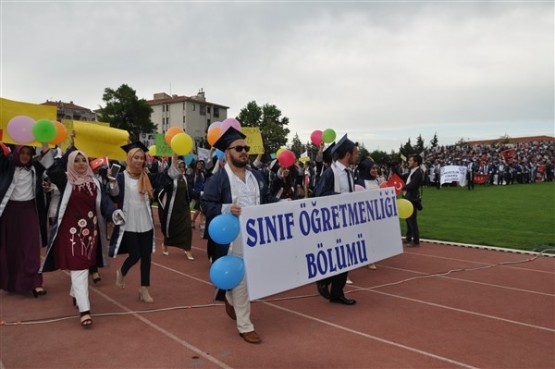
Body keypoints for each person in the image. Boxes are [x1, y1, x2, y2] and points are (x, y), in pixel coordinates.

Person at [201, 127, 279, 344]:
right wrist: (226, 208)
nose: (244, 152)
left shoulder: (257, 176)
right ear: (227, 153)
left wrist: (284, 204)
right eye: (239, 148)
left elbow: (267, 198)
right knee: (242, 280)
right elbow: (206, 203)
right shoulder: (218, 180)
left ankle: (227, 295)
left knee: (251, 277)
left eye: (246, 148)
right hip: (232, 239)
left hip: (258, 237)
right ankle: (245, 325)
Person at [41, 147, 124, 328]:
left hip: (90, 233)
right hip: (70, 233)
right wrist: (55, 148)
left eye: (83, 160)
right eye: (76, 160)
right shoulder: (65, 181)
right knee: (79, 266)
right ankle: (84, 310)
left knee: (83, 265)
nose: (80, 164)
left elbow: (105, 203)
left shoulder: (95, 183)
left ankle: (74, 294)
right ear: (70, 163)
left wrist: (115, 213)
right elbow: (52, 168)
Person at [0, 143, 53, 298]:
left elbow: (49, 161)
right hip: (9, 211)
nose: (25, 156)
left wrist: (44, 143)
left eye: (28, 153)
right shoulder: (7, 166)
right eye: (22, 152)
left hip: (29, 210)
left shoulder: (36, 167)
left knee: (31, 247)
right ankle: (11, 282)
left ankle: (35, 283)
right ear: (16, 153)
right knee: (11, 247)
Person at [313, 134, 358, 305]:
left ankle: (337, 292)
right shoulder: (330, 173)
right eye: (355, 152)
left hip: (347, 221)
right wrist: (342, 197)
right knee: (335, 256)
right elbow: (319, 195)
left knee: (346, 257)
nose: (356, 156)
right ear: (347, 154)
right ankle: (324, 280)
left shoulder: (350, 173)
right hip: (332, 223)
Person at [110, 142, 158, 303]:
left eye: (141, 158)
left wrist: (174, 158)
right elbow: (115, 195)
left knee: (146, 256)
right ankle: (122, 272)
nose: (138, 161)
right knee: (135, 254)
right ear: (129, 158)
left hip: (145, 220)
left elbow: (165, 178)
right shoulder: (121, 176)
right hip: (128, 221)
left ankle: (144, 288)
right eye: (135, 157)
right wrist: (112, 182)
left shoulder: (146, 175)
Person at [157, 154, 194, 260]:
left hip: (184, 208)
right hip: (172, 208)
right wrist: (174, 155)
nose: (182, 169)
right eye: (179, 167)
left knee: (187, 228)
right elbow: (165, 186)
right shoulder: (170, 179)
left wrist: (200, 194)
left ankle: (187, 249)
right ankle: (165, 244)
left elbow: (190, 192)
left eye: (183, 167)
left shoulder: (185, 179)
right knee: (171, 228)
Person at [401, 154, 424, 247]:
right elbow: (402, 177)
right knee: (408, 219)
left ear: (416, 162)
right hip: (407, 197)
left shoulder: (418, 172)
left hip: (412, 198)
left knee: (412, 220)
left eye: (410, 160)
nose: (408, 162)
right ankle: (408, 237)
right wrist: (395, 168)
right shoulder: (411, 171)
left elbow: (412, 185)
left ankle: (416, 241)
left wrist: (401, 187)